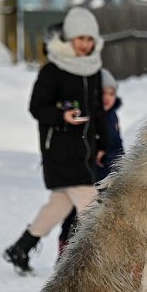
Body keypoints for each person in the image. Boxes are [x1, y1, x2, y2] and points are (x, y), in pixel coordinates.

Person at [3, 7, 108, 276]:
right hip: (60, 150)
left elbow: (97, 113)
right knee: (92, 209)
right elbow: (37, 107)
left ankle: (21, 248)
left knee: (60, 204)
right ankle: (98, 266)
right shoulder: (53, 71)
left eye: (90, 39)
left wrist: (102, 145)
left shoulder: (94, 71)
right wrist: (62, 116)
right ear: (69, 39)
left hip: (85, 151)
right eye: (80, 38)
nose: (85, 45)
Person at [56, 68, 124, 256]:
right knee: (75, 218)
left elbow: (117, 146)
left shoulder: (112, 117)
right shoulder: (87, 117)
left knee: (103, 220)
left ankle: (99, 257)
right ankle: (65, 255)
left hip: (106, 179)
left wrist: (117, 163)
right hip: (85, 178)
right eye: (103, 93)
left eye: (111, 93)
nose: (107, 98)